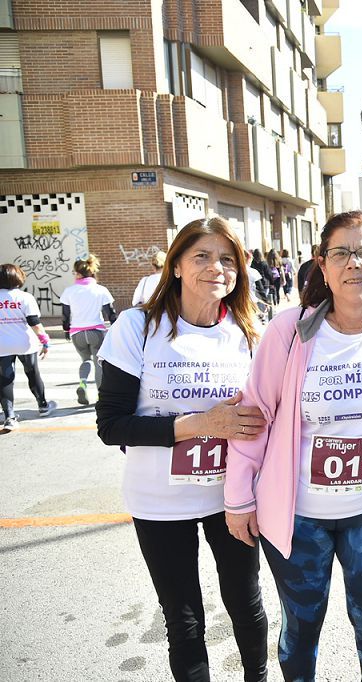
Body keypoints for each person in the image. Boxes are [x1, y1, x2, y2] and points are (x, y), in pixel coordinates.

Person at [225, 211, 362, 682]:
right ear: (322, 265)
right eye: (340, 253)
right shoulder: (289, 331)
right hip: (299, 512)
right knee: (301, 624)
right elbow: (254, 413)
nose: (353, 263)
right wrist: (238, 497)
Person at [95, 217, 269, 681]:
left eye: (228, 259)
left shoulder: (249, 331)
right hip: (159, 502)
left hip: (231, 499)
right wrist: (203, 424)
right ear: (174, 266)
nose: (217, 267)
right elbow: (112, 425)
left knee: (246, 606)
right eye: (202, 256)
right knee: (184, 620)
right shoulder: (137, 327)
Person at [0, 264, 55, 429]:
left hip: (2, 345)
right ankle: (43, 405)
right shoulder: (25, 297)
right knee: (33, 373)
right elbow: (34, 323)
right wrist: (45, 342)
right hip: (25, 343)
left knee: (5, 380)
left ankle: (9, 417)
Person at [59, 254, 117, 406]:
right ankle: (100, 396)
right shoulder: (100, 290)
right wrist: (115, 328)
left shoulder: (69, 291)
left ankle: (83, 383)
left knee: (86, 360)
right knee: (99, 362)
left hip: (77, 333)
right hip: (96, 331)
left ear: (78, 273)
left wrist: (66, 330)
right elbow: (110, 312)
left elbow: (65, 315)